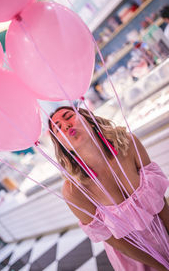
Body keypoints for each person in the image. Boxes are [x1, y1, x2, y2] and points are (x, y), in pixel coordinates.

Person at [49, 106, 169, 271]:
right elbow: (116, 242)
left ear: (89, 120)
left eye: (69, 116)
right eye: (58, 128)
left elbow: (159, 199)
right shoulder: (74, 191)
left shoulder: (129, 144)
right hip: (137, 258)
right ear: (63, 146)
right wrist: (161, 265)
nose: (66, 125)